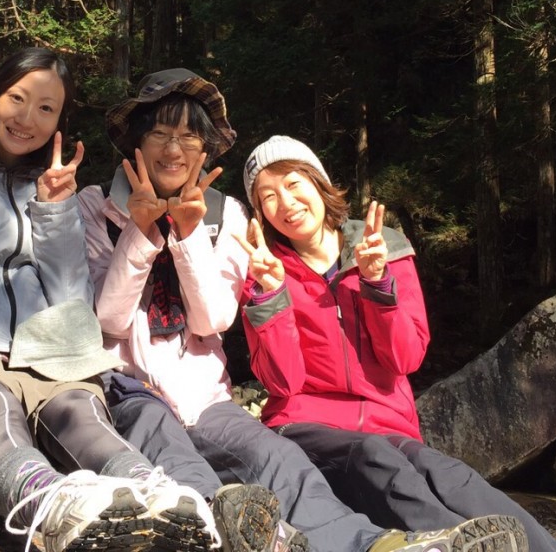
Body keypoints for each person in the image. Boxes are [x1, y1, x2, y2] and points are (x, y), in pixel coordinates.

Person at [80, 69, 528, 552]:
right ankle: (258, 541)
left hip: (209, 397)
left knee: (283, 462)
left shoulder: (228, 215)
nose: (173, 149)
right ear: (136, 145)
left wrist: (187, 235)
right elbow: (108, 320)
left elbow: (211, 321)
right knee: (181, 463)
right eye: (160, 134)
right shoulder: (95, 208)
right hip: (132, 388)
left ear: (205, 152)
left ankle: (377, 546)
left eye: (189, 136)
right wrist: (142, 232)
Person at [0, 48, 257, 552]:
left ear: (59, 123)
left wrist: (54, 212)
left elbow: (71, 300)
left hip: (45, 352)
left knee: (82, 414)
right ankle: (54, 505)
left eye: (46, 109)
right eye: (17, 98)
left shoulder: (54, 184)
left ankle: (166, 506)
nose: (27, 118)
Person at [238, 136, 556, 552]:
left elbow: (406, 357)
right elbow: (283, 382)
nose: (284, 202)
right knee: (373, 459)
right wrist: (271, 296)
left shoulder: (383, 247)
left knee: (452, 476)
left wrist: (377, 284)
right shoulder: (265, 271)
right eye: (267, 195)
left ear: (318, 182)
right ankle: (456, 545)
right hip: (304, 425)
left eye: (292, 183)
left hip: (387, 420)